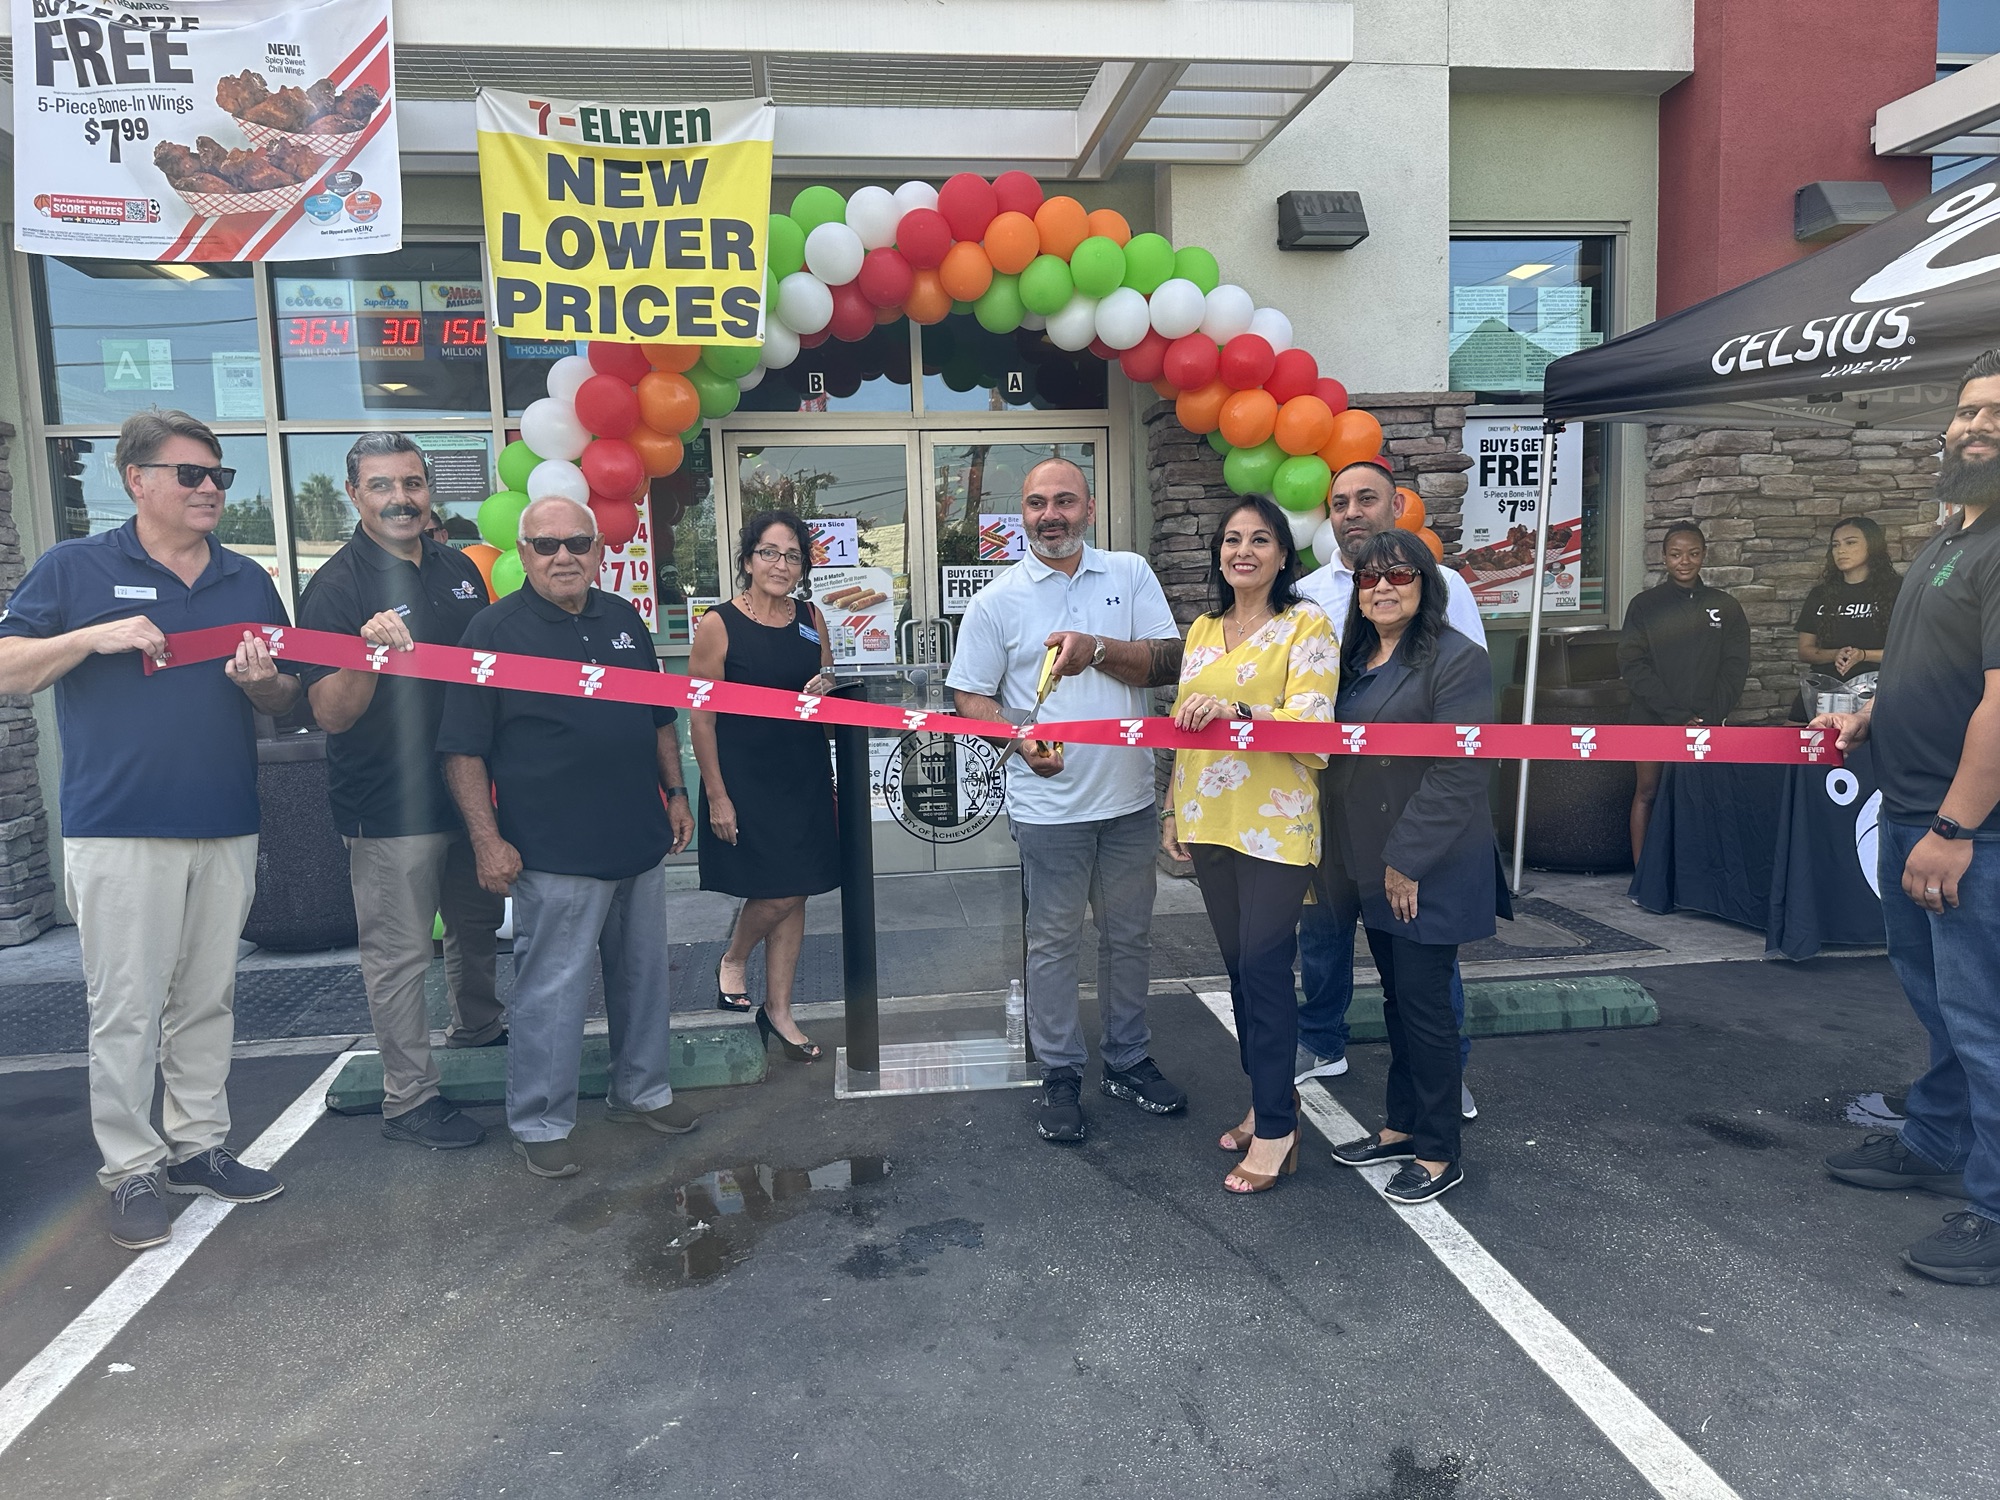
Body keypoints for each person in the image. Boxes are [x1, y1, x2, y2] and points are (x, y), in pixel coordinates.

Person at [0, 408, 300, 1249]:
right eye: (191, 475)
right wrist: (94, 635)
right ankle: (131, 1167)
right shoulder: (76, 567)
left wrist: (264, 685)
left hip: (225, 819)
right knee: (126, 1009)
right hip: (120, 826)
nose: (210, 489)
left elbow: (283, 701)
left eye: (220, 476)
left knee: (205, 999)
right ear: (136, 480)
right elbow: (9, 668)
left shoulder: (246, 579)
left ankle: (198, 1146)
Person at [438, 497, 697, 1180]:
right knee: (551, 992)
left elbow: (658, 719)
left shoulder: (623, 620)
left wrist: (675, 794)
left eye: (578, 543)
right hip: (551, 850)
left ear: (599, 550)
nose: (564, 556)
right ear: (522, 553)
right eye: (547, 544)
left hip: (637, 839)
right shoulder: (491, 631)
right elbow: (464, 750)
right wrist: (487, 841)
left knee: (644, 981)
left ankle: (641, 1091)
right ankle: (540, 1122)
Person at [1815, 351, 2000, 1286]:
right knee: (1940, 1007)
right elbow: (1930, 673)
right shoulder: (1947, 538)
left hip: (1969, 832)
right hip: (1912, 809)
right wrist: (1867, 714)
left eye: (1997, 415)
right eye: (1969, 411)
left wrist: (1956, 828)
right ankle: (1934, 1143)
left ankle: (1996, 1210)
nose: (1977, 426)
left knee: (1984, 1018)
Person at [948, 457, 1186, 1144]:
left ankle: (1128, 1058)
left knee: (1129, 937)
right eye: (1035, 504)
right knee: (1052, 944)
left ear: (1088, 506)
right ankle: (1060, 1071)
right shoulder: (997, 600)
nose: (1049, 515)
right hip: (1049, 809)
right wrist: (1021, 740)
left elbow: (1169, 661)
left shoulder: (1130, 573)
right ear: (1020, 513)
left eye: (1063, 501)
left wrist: (1097, 651)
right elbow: (970, 696)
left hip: (1130, 801)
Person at [297, 433, 504, 1153]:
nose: (400, 499)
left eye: (412, 484)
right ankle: (408, 1096)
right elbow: (329, 712)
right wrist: (370, 655)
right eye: (382, 486)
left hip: (465, 790)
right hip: (388, 803)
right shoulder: (336, 586)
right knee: (399, 954)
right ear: (355, 494)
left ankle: (478, 1027)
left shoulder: (458, 570)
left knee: (476, 926)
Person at [1293, 459, 1489, 1109]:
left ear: (1395, 506)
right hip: (1332, 805)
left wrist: (1421, 837)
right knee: (1323, 933)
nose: (1351, 511)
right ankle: (1322, 1039)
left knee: (1424, 955)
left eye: (1365, 499)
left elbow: (1463, 713)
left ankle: (1444, 1072)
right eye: (1339, 502)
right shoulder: (1306, 592)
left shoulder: (1446, 586)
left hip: (1413, 811)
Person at [1161, 496, 1338, 1194]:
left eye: (1259, 539)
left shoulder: (1307, 625)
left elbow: (1316, 722)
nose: (1244, 551)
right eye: (1232, 539)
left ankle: (1275, 1131)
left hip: (1276, 821)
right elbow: (1182, 728)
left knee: (1265, 965)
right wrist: (1174, 811)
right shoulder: (1204, 627)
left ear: (1282, 553)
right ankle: (1271, 1099)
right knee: (1239, 970)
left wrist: (1242, 711)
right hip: (1210, 819)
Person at [1322, 530, 1502, 1205]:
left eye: (1399, 575)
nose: (1384, 588)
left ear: (1426, 584)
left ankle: (1438, 1150)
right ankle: (1399, 1128)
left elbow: (1460, 771)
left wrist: (1406, 860)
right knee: (1398, 1003)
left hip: (1429, 864)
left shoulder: (1458, 661)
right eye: (1370, 578)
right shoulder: (1356, 659)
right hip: (1370, 862)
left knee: (1426, 1007)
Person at [691, 509, 839, 1061]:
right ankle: (734, 956)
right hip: (747, 780)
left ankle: (780, 1011)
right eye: (770, 552)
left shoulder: (811, 617)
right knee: (780, 889)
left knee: (796, 890)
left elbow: (821, 696)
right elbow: (700, 717)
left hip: (801, 773)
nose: (781, 564)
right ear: (749, 558)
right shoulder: (720, 623)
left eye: (793, 555)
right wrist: (716, 795)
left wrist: (826, 687)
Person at [1616, 521, 1750, 866]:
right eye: (1676, 554)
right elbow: (1633, 665)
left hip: (1705, 720)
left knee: (1700, 797)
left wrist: (1709, 716)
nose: (1684, 561)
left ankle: (1694, 876)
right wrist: (1676, 716)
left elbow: (1735, 667)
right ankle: (1644, 875)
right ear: (1664, 558)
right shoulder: (1645, 605)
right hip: (1651, 719)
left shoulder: (1726, 606)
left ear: (1704, 555)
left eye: (1692, 553)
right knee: (1648, 792)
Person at [1791, 514, 1899, 720]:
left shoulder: (1897, 590)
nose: (1841, 551)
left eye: (1850, 543)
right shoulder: (1820, 594)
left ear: (1872, 545)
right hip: (1822, 689)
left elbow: (1909, 651)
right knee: (1796, 744)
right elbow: (1805, 651)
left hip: (1877, 692)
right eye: (1835, 545)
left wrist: (1863, 655)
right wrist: (1834, 654)